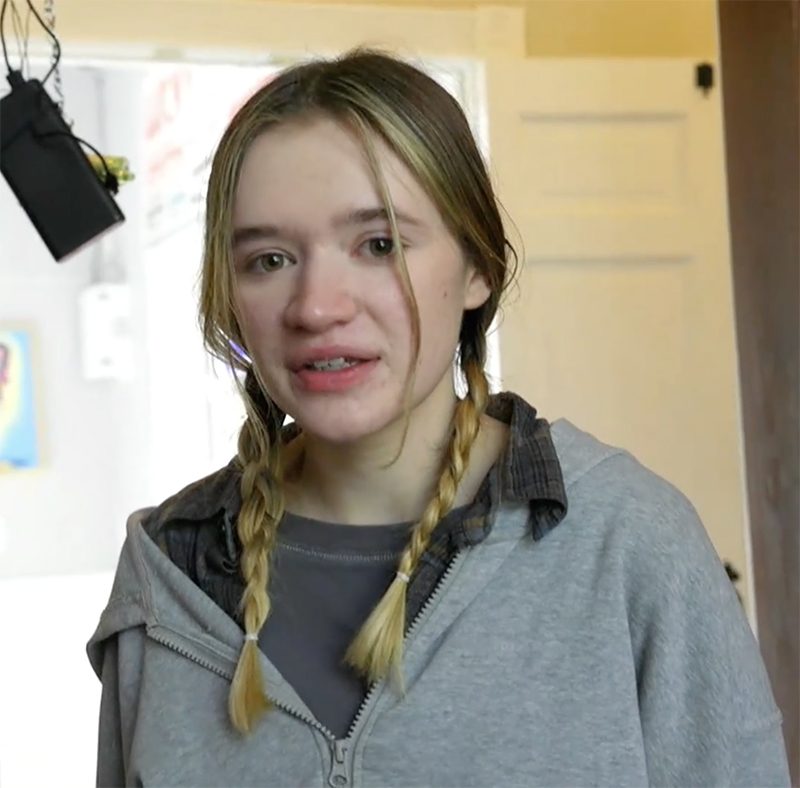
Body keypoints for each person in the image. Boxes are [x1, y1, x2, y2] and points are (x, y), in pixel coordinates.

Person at [88, 49, 791, 787]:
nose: (317, 307)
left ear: (477, 266)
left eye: (379, 244)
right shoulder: (168, 573)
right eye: (269, 259)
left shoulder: (628, 543)